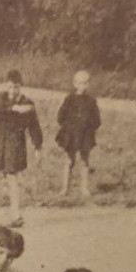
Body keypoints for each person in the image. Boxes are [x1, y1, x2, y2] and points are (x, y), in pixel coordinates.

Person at [0, 69, 43, 228]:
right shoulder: (3, 98)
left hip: (15, 144)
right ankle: (12, 210)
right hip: (2, 143)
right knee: (6, 177)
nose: (13, 91)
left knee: (12, 176)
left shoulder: (27, 103)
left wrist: (37, 146)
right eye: (10, 87)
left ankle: (16, 213)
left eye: (16, 87)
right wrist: (14, 108)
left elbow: (34, 126)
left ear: (21, 87)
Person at [56, 70, 102, 200]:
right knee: (69, 160)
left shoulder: (91, 101)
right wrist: (68, 127)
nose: (82, 86)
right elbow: (60, 116)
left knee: (84, 160)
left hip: (85, 135)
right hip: (71, 134)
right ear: (75, 83)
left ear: (88, 84)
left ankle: (84, 188)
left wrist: (89, 126)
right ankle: (65, 188)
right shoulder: (69, 99)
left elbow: (97, 120)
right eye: (80, 83)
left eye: (85, 83)